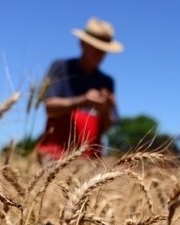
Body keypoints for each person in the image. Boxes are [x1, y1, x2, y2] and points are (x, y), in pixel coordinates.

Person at [37, 17, 123, 160]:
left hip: (91, 160)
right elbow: (49, 107)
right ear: (82, 43)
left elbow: (107, 127)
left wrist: (104, 110)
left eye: (103, 50)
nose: (99, 54)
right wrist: (84, 100)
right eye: (95, 48)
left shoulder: (107, 82)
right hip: (55, 155)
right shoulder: (62, 67)